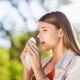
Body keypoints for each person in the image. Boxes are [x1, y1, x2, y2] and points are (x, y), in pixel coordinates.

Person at [20, 11, 80, 80]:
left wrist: (37, 68)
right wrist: (28, 70)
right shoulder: (43, 63)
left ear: (60, 32)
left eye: (44, 30)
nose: (39, 35)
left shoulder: (77, 63)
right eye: (39, 31)